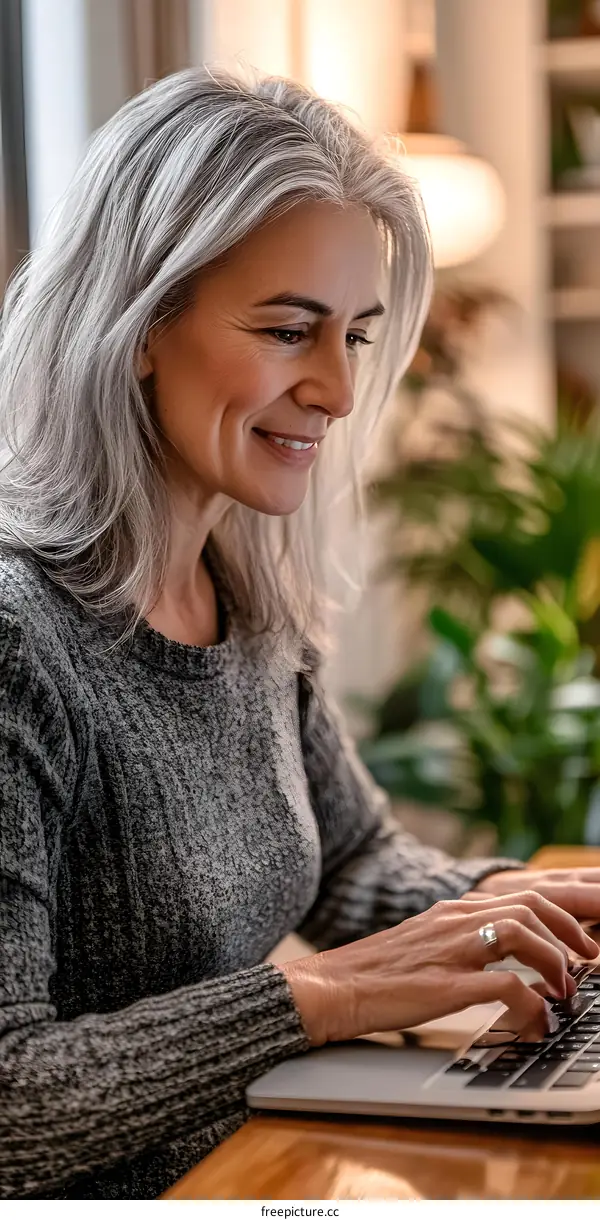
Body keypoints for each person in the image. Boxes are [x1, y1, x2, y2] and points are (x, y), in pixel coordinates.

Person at [0, 65, 599, 1202]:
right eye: (287, 330)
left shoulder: (246, 587)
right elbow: (11, 1105)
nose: (333, 388)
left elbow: (360, 861)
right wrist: (327, 995)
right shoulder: (18, 643)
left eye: (356, 337)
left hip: (262, 1171)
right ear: (136, 326)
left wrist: (529, 909)